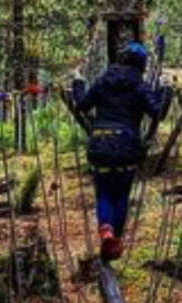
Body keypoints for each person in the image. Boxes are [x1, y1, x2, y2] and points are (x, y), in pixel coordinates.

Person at [71, 41, 173, 263]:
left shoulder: (104, 81)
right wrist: (166, 88)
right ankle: (114, 238)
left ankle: (106, 231)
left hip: (100, 145)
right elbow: (158, 111)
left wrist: (78, 82)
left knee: (104, 192)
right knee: (121, 195)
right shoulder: (140, 85)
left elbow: (82, 105)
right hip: (127, 147)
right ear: (143, 64)